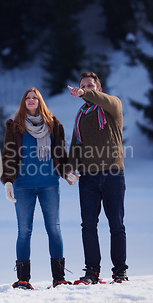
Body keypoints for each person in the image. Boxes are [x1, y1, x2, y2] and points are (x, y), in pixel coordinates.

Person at [1, 87, 73, 289]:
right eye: (27, 98)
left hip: (49, 184)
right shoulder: (14, 127)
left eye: (35, 97)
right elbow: (8, 155)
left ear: (40, 101)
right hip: (23, 186)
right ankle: (23, 279)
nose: (31, 100)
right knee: (24, 231)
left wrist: (66, 172)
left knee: (54, 229)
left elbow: (60, 154)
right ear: (23, 103)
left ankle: (59, 278)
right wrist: (8, 180)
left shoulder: (53, 125)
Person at [66, 71, 129, 285]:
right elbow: (76, 146)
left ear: (98, 89)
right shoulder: (81, 116)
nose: (85, 89)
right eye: (82, 85)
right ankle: (92, 272)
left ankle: (120, 271)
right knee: (88, 226)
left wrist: (86, 93)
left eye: (90, 86)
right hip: (89, 179)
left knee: (116, 225)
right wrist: (71, 170)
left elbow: (106, 100)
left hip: (112, 174)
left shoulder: (112, 107)